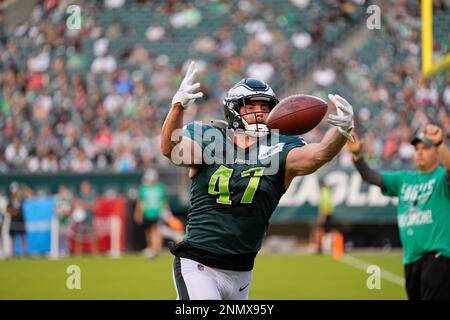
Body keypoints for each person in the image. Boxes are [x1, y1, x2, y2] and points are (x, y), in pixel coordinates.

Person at [161, 61, 355, 300]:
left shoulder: (282, 146)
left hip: (242, 272)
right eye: (249, 105)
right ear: (233, 110)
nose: (259, 112)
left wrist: (341, 130)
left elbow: (319, 154)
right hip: (199, 263)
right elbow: (171, 149)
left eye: (264, 107)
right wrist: (177, 106)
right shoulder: (210, 137)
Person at [347, 124, 450, 300]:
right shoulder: (404, 179)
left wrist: (439, 143)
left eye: (425, 148)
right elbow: (371, 177)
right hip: (410, 259)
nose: (419, 152)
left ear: (437, 154)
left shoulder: (442, 178)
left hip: (438, 257)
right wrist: (357, 156)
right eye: (416, 149)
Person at [134, 169, 166, 258]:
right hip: (147, 213)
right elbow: (140, 202)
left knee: (157, 230)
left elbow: (164, 201)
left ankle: (157, 249)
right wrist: (138, 213)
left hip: (158, 213)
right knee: (148, 231)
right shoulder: (143, 188)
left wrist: (165, 211)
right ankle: (151, 248)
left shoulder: (160, 187)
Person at [6, 182, 33, 257]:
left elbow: (30, 195)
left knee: (22, 237)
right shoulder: (10, 200)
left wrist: (23, 188)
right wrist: (15, 212)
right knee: (12, 238)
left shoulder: (21, 199)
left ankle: (24, 253)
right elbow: (8, 210)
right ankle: (13, 253)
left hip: (21, 221)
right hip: (13, 221)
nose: (15, 193)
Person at [72, 180, 98, 256]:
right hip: (80, 220)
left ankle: (95, 254)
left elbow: (94, 207)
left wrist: (84, 205)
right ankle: (78, 254)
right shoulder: (79, 195)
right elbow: (75, 204)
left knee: (92, 237)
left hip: (89, 219)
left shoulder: (92, 195)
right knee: (79, 238)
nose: (84, 188)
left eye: (86, 186)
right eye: (83, 187)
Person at [312, 180, 336, 254]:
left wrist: (322, 217)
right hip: (329, 214)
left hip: (326, 215)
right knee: (327, 231)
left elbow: (324, 206)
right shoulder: (328, 192)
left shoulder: (324, 194)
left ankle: (321, 247)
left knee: (320, 231)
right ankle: (328, 247)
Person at [54, 185, 73, 257]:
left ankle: (66, 250)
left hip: (66, 221)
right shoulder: (57, 201)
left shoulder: (67, 201)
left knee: (66, 237)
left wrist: (63, 211)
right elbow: (56, 211)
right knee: (59, 237)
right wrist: (61, 211)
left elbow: (68, 211)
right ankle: (59, 250)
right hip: (59, 221)